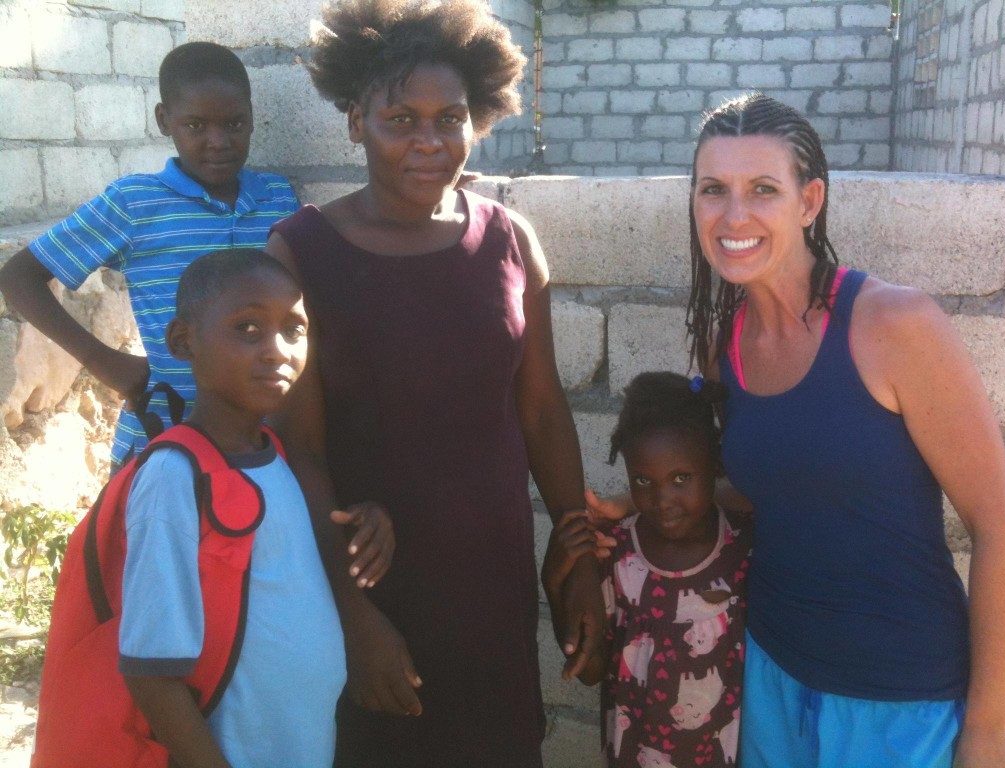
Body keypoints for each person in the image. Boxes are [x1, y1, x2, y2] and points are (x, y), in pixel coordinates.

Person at [588, 92, 1005, 768]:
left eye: (763, 189)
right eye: (713, 190)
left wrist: (990, 728)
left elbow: (998, 525)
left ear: (809, 201)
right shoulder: (724, 343)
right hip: (769, 676)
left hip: (901, 699)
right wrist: (628, 508)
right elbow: (777, 488)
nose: (734, 216)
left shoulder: (893, 325)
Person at [264, 1, 603, 765]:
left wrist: (578, 560)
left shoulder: (510, 240)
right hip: (378, 589)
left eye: (449, 119)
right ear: (356, 121)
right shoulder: (300, 254)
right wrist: (353, 618)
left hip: (492, 586)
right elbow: (300, 450)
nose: (428, 142)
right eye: (400, 119)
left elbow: (544, 413)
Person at [0, 42, 300, 473]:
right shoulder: (136, 202)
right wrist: (105, 362)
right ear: (164, 121)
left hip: (264, 444)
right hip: (164, 440)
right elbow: (19, 276)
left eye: (234, 123)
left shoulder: (277, 197)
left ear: (253, 118)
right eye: (196, 125)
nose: (218, 142)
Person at [119, 249, 344, 767]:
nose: (276, 350)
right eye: (247, 328)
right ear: (183, 342)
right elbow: (150, 672)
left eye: (294, 330)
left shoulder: (273, 454)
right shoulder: (176, 476)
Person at [544, 371, 752, 767]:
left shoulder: (744, 547)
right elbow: (589, 672)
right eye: (642, 480)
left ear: (717, 465)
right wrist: (554, 583)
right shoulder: (617, 553)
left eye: (681, 478)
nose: (662, 500)